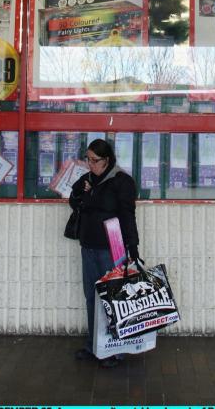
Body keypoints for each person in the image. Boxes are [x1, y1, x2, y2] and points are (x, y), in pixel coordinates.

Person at [68, 138, 139, 369]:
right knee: (92, 298)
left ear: (106, 160)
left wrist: (133, 247)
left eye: (94, 160)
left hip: (113, 246)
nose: (90, 164)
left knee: (113, 299)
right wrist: (81, 192)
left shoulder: (121, 181)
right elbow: (73, 199)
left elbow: (127, 215)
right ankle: (94, 345)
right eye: (87, 159)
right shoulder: (88, 179)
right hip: (89, 245)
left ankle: (114, 349)